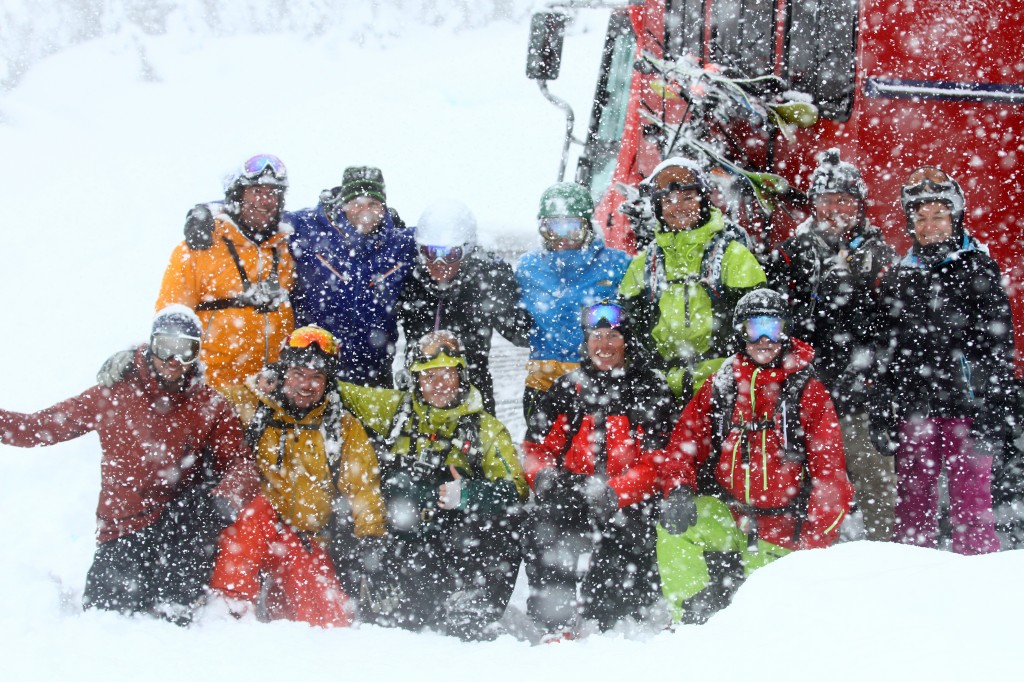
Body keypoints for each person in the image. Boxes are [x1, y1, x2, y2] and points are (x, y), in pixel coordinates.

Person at [0, 306, 260, 622]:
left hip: (179, 528)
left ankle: (177, 608)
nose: (174, 361)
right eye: (167, 348)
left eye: (185, 350)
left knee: (173, 617)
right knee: (106, 618)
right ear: (152, 345)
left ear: (197, 354)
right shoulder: (114, 394)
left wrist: (225, 498)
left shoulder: (209, 404)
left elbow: (242, 463)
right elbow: (39, 427)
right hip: (122, 525)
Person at [657, 289, 853, 623]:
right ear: (740, 332)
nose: (764, 339)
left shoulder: (806, 391)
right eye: (754, 328)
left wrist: (811, 547)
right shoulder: (722, 384)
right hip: (731, 515)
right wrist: (678, 489)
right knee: (674, 527)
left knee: (768, 613)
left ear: (785, 332)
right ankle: (689, 618)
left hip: (785, 525)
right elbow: (684, 441)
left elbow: (831, 477)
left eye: (772, 329)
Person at [337, 330, 528, 640]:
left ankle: (472, 607)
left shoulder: (486, 429)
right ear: (416, 380)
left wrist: (469, 494)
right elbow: (337, 392)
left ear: (461, 376)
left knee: (506, 523)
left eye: (447, 374)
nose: (438, 384)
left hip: (460, 543)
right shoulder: (398, 410)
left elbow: (516, 489)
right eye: (428, 376)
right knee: (404, 621)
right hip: (408, 538)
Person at [871, 167, 1014, 555]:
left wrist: (997, 406)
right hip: (915, 409)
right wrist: (884, 402)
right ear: (910, 223)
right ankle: (912, 584)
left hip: (968, 407)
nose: (930, 225)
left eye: (939, 215)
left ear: (955, 218)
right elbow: (889, 347)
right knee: (913, 511)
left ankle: (978, 589)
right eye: (921, 217)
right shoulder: (901, 274)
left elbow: (999, 344)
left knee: (973, 509)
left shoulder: (978, 266)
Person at [209, 326, 386, 627]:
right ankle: (229, 612)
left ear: (328, 382)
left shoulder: (341, 427)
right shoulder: (255, 406)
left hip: (308, 539)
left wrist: (370, 536)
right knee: (257, 514)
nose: (306, 385)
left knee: (328, 625)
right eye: (299, 374)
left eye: (317, 377)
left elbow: (362, 486)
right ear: (283, 372)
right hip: (256, 532)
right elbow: (201, 396)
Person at [521, 301, 675, 638]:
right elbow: (535, 449)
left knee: (610, 608)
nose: (603, 345)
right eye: (596, 336)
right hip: (574, 490)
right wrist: (545, 478)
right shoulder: (566, 388)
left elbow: (658, 462)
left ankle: (621, 607)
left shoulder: (650, 388)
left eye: (613, 336)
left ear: (628, 341)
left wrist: (617, 491)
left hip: (629, 502)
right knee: (542, 527)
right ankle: (555, 622)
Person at [765, 148, 898, 541]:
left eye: (845, 199)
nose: (836, 207)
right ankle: (805, 563)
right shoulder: (791, 253)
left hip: (860, 392)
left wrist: (854, 297)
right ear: (814, 204)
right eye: (827, 199)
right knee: (805, 485)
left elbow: (893, 323)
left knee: (874, 480)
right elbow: (776, 323)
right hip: (807, 394)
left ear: (859, 206)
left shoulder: (879, 254)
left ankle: (884, 559)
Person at [618, 157, 766, 401]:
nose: (679, 207)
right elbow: (627, 326)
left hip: (721, 384)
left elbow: (758, 325)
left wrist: (725, 372)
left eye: (688, 197)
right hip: (658, 388)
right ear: (658, 208)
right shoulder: (644, 264)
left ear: (704, 201)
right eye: (669, 201)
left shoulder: (733, 255)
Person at [159, 153, 295, 390]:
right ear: (237, 196)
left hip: (269, 391)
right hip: (213, 390)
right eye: (257, 192)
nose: (266, 201)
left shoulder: (283, 248)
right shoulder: (199, 247)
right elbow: (171, 319)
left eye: (273, 193)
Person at [397, 200, 532, 413]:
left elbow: (521, 333)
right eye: (431, 251)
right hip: (420, 395)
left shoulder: (484, 280)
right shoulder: (410, 280)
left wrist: (509, 292)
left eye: (451, 253)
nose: (439, 262)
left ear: (467, 250)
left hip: (473, 398)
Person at [288, 166, 415, 387]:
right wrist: (210, 217)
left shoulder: (398, 245)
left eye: (373, 204)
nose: (365, 211)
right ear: (344, 204)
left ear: (384, 208)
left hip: (374, 374)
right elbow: (256, 214)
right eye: (358, 203)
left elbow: (443, 235)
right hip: (314, 370)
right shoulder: (308, 229)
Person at [516, 182, 631, 423]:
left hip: (601, 384)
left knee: (595, 456)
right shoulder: (528, 268)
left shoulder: (617, 265)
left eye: (573, 228)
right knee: (541, 454)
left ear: (588, 226)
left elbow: (634, 323)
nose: (563, 238)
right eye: (553, 228)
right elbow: (511, 318)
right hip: (543, 385)